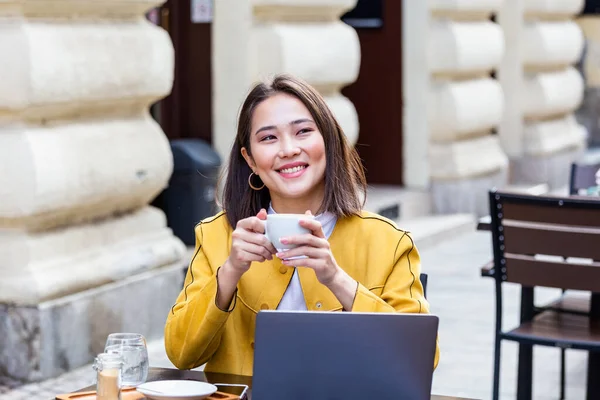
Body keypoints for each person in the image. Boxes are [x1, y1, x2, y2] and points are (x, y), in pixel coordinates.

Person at [164, 74, 440, 375]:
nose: (288, 149)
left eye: (303, 132)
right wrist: (230, 271)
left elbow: (419, 361)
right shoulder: (220, 235)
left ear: (329, 142)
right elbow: (181, 354)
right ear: (251, 160)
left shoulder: (387, 241)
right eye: (268, 138)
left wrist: (335, 278)